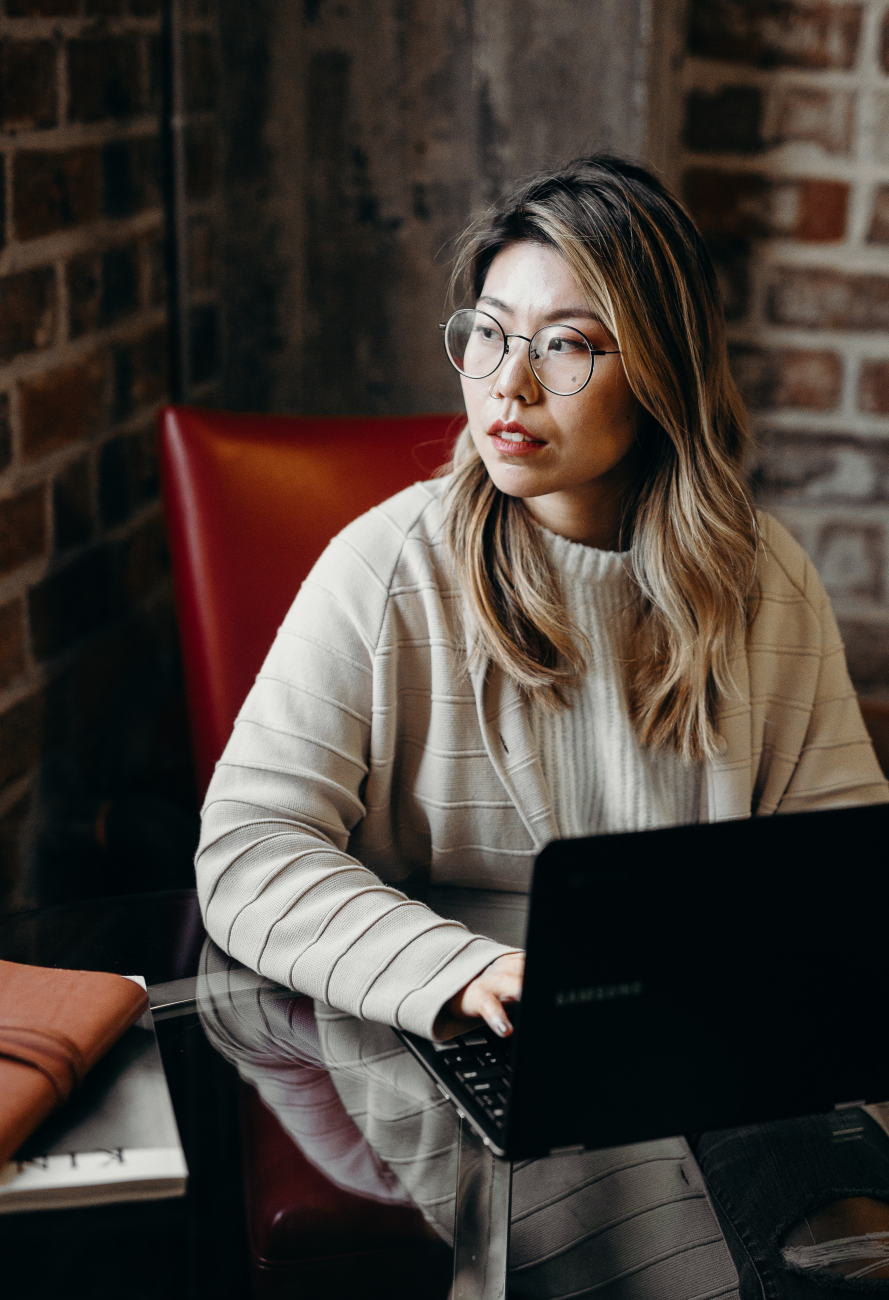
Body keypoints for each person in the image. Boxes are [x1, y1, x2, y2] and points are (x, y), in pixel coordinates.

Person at [197, 155, 889, 1294]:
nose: (506, 384)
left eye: (566, 344)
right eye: (487, 331)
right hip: (447, 1044)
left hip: (710, 1050)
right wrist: (461, 970)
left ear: (657, 370)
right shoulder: (386, 566)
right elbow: (246, 848)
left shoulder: (763, 579)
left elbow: (836, 872)